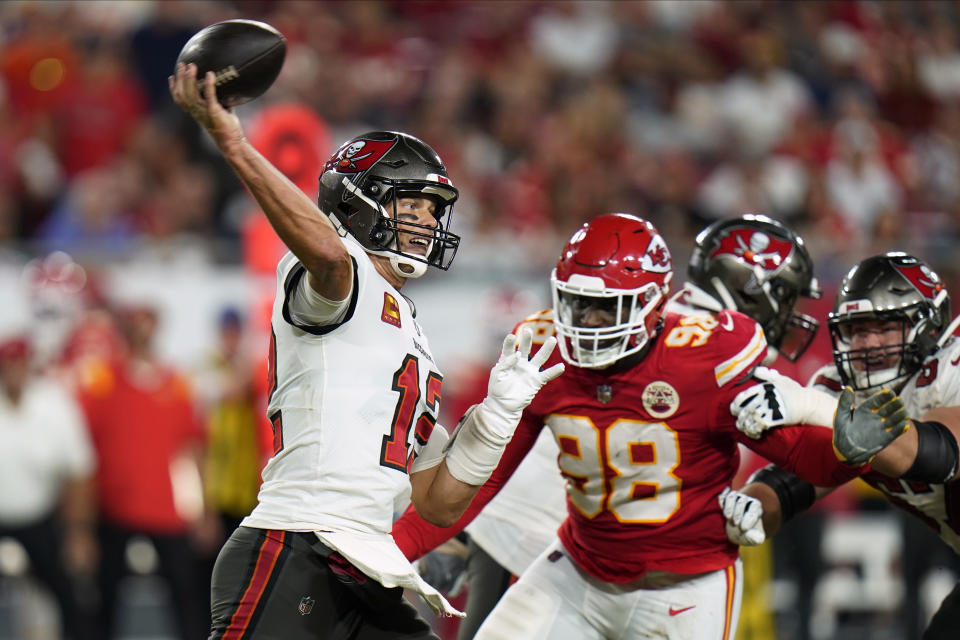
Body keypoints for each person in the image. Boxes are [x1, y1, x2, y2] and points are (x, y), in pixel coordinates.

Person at [169, 63, 563, 639]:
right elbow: (328, 257)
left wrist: (495, 420)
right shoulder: (338, 275)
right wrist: (237, 146)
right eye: (415, 205)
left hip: (365, 566)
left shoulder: (409, 332)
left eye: (434, 210)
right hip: (296, 545)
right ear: (361, 203)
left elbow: (437, 504)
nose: (430, 221)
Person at [392, 212, 903, 639]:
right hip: (574, 566)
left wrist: (845, 446)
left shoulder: (707, 356)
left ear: (652, 305)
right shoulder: (546, 352)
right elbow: (485, 478)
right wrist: (387, 556)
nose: (586, 322)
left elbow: (803, 457)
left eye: (603, 308)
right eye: (577, 304)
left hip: (685, 588)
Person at [722, 251, 960, 640]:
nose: (866, 343)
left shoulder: (951, 369)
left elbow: (939, 451)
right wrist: (750, 507)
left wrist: (818, 408)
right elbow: (794, 481)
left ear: (928, 326)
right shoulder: (840, 391)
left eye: (883, 327)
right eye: (856, 330)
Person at [77, 304, 211, 640]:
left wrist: (203, 509)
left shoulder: (178, 384)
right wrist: (80, 524)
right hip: (114, 509)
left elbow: (193, 450)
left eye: (147, 325)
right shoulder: (103, 380)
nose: (141, 333)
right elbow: (81, 454)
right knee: (104, 601)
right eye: (135, 325)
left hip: (167, 511)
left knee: (187, 599)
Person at [0, 333, 97, 639]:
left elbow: (78, 469)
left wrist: (78, 533)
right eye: (7, 364)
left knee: (71, 595)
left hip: (40, 517)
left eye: (19, 363)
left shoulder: (54, 404)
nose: (13, 371)